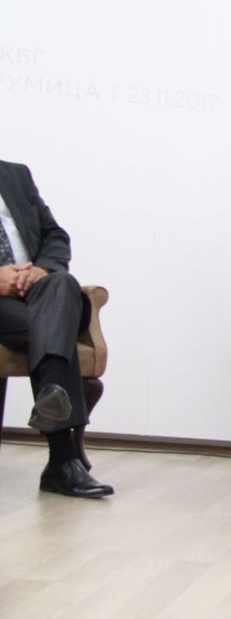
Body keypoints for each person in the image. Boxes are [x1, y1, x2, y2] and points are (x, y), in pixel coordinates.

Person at [0, 160, 114, 498]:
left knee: (63, 282)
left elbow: (55, 235)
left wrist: (43, 270)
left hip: (39, 293)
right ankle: (63, 462)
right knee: (54, 328)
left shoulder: (15, 175)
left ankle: (52, 392)